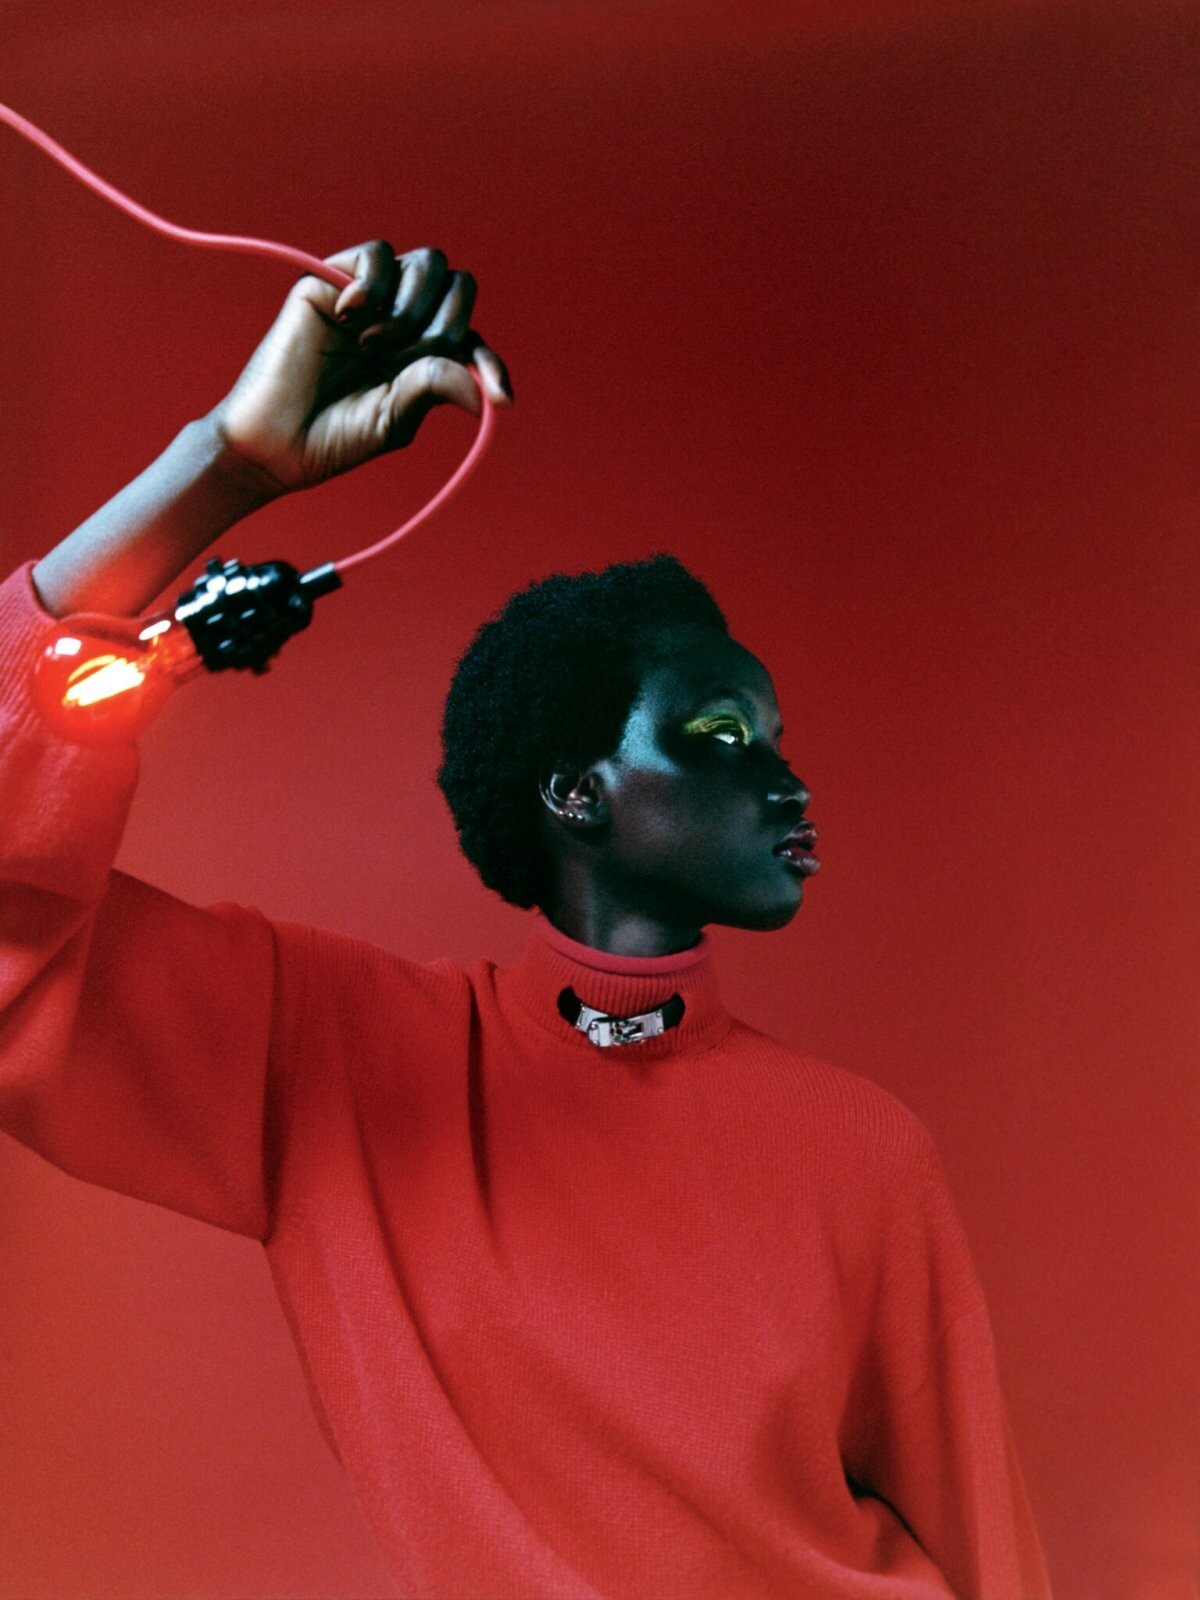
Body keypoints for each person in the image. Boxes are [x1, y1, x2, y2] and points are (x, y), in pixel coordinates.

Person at [1, 240, 1051, 1599]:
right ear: (575, 793)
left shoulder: (865, 1146)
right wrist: (226, 467)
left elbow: (989, 1555)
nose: (785, 779)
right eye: (722, 734)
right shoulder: (338, 1063)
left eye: (778, 736)